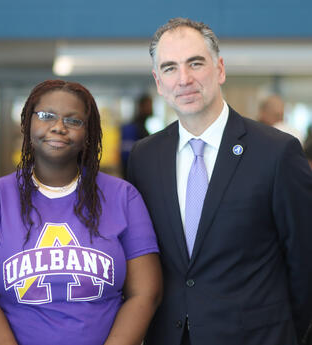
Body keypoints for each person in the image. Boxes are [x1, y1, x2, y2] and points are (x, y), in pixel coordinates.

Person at [128, 18, 312, 345]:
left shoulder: (276, 152)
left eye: (195, 63)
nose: (183, 79)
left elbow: (305, 261)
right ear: (158, 81)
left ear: (220, 69)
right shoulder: (145, 157)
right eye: (170, 68)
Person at [0, 79, 162, 345]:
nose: (58, 127)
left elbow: (146, 293)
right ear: (26, 124)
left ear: (88, 133)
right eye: (46, 116)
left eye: (73, 121)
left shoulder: (123, 196)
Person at [120, 93, 153, 178]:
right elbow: (127, 157)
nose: (151, 109)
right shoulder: (131, 128)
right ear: (140, 107)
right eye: (148, 105)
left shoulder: (143, 127)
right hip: (135, 176)